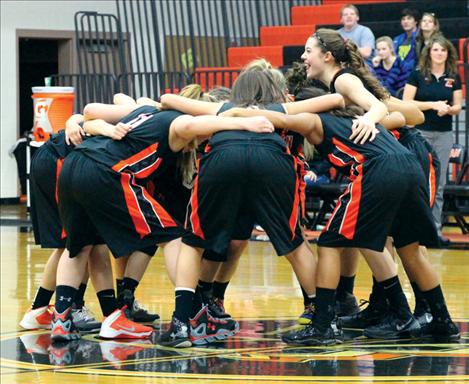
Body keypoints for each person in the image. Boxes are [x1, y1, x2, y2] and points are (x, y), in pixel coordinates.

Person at [52, 98, 273, 343]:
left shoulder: (147, 111)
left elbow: (91, 111)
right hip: (107, 172)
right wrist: (246, 124)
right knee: (173, 237)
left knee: (78, 247)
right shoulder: (178, 121)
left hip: (73, 166)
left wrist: (77, 121)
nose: (196, 146)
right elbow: (189, 127)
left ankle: (61, 321)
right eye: (202, 140)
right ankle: (194, 313)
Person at [157, 66, 345, 347]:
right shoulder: (281, 107)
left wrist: (234, 113)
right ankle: (323, 318)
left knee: (193, 242)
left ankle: (183, 323)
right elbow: (337, 100)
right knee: (294, 241)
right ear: (272, 88)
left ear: (239, 90)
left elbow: (167, 99)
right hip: (271, 162)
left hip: (223, 159)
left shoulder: (223, 107)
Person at [403, 35, 463, 245]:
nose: (439, 53)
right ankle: (412, 229)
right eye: (436, 50)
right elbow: (406, 103)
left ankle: (434, 231)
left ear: (448, 53)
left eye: (443, 50)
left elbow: (458, 106)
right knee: (418, 181)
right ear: (429, 52)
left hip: (444, 135)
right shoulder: (417, 74)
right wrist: (432, 105)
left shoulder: (453, 76)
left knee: (439, 184)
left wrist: (448, 109)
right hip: (420, 133)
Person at [393, 8, 420, 81]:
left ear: (416, 21)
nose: (405, 21)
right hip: (398, 74)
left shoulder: (420, 38)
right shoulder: (397, 39)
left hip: (414, 74)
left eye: (409, 18)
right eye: (403, 19)